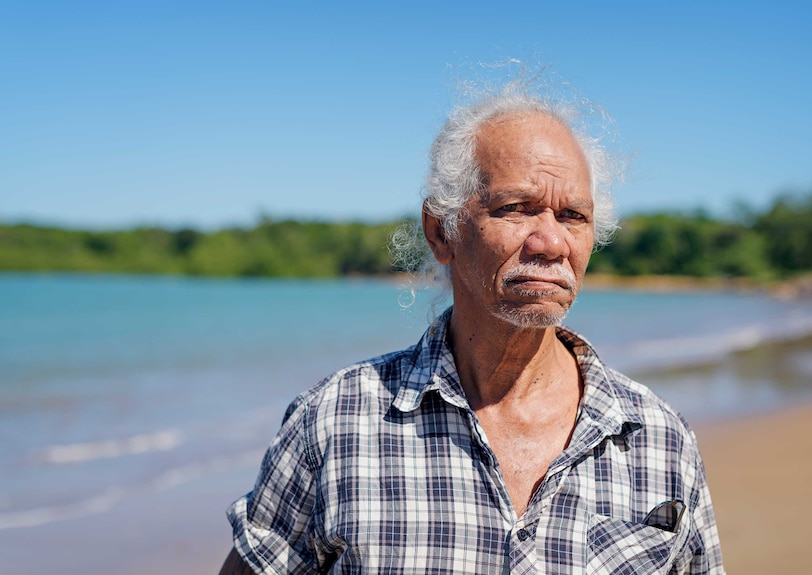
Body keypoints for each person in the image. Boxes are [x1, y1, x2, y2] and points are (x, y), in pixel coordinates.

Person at [220, 84, 725, 574]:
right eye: (515, 208)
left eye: (574, 216)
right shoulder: (332, 424)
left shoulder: (659, 439)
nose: (551, 242)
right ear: (442, 232)